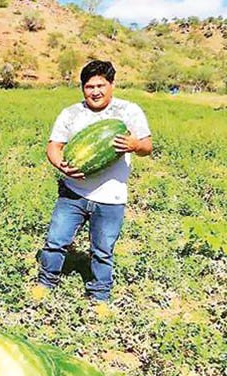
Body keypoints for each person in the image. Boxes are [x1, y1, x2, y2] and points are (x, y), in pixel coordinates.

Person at [38, 60, 153, 302]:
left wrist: (135, 145)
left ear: (112, 85)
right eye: (89, 86)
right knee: (55, 241)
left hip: (111, 197)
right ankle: (45, 285)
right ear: (82, 88)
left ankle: (99, 296)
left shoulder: (128, 112)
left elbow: (147, 146)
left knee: (102, 251)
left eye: (101, 85)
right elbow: (54, 146)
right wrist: (62, 165)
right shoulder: (71, 113)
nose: (95, 91)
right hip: (72, 193)